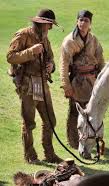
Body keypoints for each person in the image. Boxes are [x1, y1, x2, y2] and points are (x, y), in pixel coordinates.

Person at [7, 9, 63, 164]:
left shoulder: (45, 38)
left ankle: (49, 154)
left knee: (50, 119)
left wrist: (51, 66)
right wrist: (31, 51)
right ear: (41, 23)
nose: (50, 28)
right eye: (49, 25)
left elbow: (50, 57)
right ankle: (30, 156)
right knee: (29, 122)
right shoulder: (23, 34)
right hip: (27, 84)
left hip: (42, 84)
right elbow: (10, 57)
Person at [60, 10, 105, 149]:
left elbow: (100, 60)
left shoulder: (94, 39)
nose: (83, 23)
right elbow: (64, 64)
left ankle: (93, 139)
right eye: (81, 20)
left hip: (92, 81)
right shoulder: (69, 41)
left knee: (93, 112)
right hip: (77, 82)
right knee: (75, 112)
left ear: (90, 24)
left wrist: (103, 80)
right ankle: (73, 141)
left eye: (86, 20)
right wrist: (66, 86)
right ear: (77, 22)